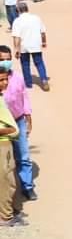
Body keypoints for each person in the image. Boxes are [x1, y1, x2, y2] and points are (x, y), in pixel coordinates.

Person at [0, 46, 35, 200]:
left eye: (8, 59)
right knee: (5, 161)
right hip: (3, 126)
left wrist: (28, 117)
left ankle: (27, 186)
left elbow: (24, 96)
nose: (6, 62)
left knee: (23, 155)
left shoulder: (17, 77)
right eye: (2, 59)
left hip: (18, 121)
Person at [11, 2, 50, 92]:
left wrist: (16, 49)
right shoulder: (36, 18)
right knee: (39, 63)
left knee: (25, 64)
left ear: (18, 10)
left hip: (24, 46)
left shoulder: (17, 21)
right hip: (36, 45)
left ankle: (28, 84)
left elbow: (16, 37)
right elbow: (43, 32)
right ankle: (44, 80)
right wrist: (44, 42)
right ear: (27, 9)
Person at [0, 66, 21, 227]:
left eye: (6, 79)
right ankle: (5, 217)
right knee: (6, 180)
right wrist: (11, 130)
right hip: (3, 145)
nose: (5, 82)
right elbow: (12, 130)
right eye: (1, 80)